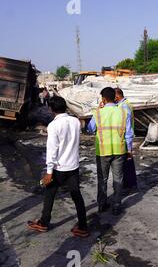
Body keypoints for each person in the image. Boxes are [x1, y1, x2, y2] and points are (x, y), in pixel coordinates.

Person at [27, 96, 89, 238]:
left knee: (49, 194)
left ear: (51, 109)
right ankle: (83, 226)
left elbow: (52, 150)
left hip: (59, 168)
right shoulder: (75, 122)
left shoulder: (54, 126)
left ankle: (44, 223)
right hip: (73, 166)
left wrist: (49, 172)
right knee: (76, 195)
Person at [87, 87, 133, 216]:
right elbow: (129, 134)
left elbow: (90, 129)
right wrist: (129, 150)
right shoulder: (124, 112)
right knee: (118, 178)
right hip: (119, 150)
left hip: (103, 151)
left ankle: (102, 204)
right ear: (115, 97)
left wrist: (98, 110)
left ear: (103, 99)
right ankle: (117, 205)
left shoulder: (98, 113)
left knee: (103, 179)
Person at [115, 88, 137, 192]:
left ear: (117, 96)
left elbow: (127, 128)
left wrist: (129, 147)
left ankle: (130, 186)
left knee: (127, 164)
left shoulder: (123, 106)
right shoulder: (126, 104)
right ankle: (129, 184)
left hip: (125, 139)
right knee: (127, 164)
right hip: (126, 138)